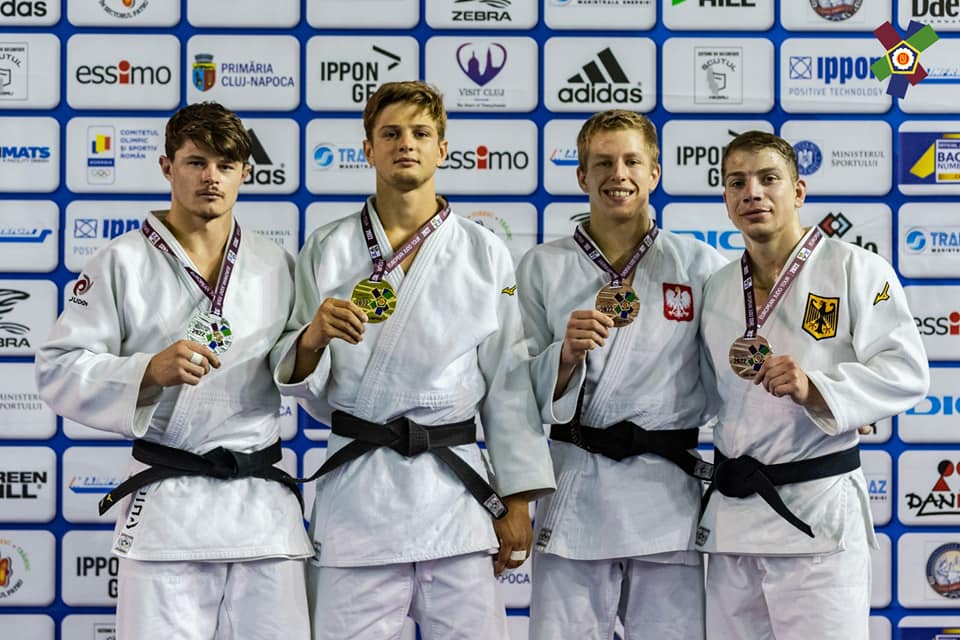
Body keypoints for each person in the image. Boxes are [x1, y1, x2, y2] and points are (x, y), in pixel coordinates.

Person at [271, 80, 555, 640]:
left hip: (454, 496)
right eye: (391, 133)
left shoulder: (485, 251)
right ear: (368, 149)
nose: (406, 143)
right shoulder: (327, 248)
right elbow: (299, 376)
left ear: (442, 149)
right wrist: (311, 339)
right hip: (360, 494)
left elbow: (508, 381)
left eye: (421, 133)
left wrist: (517, 497)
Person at [35, 102, 312, 640]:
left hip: (261, 510)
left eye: (225, 165)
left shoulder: (276, 265)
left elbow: (298, 369)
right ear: (167, 167)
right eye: (196, 162)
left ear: (244, 173)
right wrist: (147, 371)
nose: (212, 177)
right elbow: (57, 368)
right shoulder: (121, 262)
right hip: (168, 511)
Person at [697, 130, 929, 639]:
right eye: (737, 183)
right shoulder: (718, 287)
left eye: (768, 179)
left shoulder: (855, 268)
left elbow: (907, 371)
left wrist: (817, 388)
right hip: (734, 524)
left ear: (798, 191)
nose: (752, 193)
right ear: (726, 200)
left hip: (816, 517)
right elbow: (705, 396)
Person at [516, 109, 726, 639]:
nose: (619, 174)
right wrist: (563, 358)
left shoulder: (699, 265)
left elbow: (734, 367)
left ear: (654, 173)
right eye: (603, 162)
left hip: (666, 494)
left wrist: (804, 402)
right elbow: (512, 390)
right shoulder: (541, 266)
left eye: (633, 161)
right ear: (581, 175)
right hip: (576, 488)